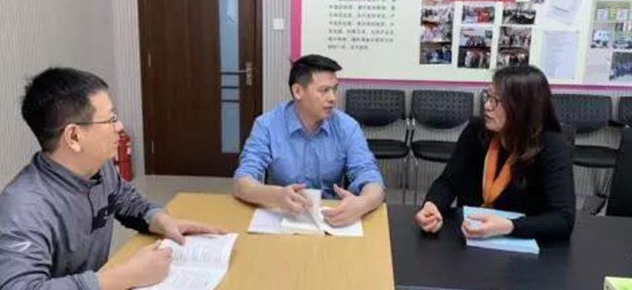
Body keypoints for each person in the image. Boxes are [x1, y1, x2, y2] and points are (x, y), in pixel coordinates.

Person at [0, 67, 225, 290]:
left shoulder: (99, 167)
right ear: (74, 137)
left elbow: (128, 202)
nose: (120, 126)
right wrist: (124, 276)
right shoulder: (24, 207)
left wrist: (161, 220)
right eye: (111, 118)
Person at [414, 65, 575, 240]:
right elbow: (448, 181)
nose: (487, 106)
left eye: (496, 101)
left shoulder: (551, 145)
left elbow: (563, 219)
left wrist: (509, 226)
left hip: (522, 244)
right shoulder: (477, 131)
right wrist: (432, 206)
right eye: (487, 96)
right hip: (469, 236)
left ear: (522, 108)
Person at [233, 54, 384, 227]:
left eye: (334, 89)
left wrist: (362, 203)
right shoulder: (267, 125)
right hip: (282, 216)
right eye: (324, 90)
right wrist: (276, 196)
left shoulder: (347, 127)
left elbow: (370, 175)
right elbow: (242, 182)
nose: (333, 98)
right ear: (298, 91)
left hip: (330, 217)